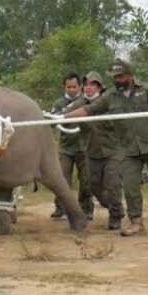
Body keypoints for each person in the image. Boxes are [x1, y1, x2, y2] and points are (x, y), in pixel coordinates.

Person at [64, 59, 148, 236]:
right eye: (114, 77)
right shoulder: (110, 96)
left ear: (130, 75)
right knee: (130, 185)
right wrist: (64, 117)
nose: (117, 80)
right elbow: (90, 110)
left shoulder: (147, 90)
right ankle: (136, 221)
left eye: (120, 76)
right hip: (128, 148)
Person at [71, 72, 125, 231]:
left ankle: (116, 216)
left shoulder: (109, 101)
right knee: (92, 186)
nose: (89, 88)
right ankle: (113, 206)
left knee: (112, 183)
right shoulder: (79, 104)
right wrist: (52, 118)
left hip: (113, 150)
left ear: (100, 87)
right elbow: (63, 114)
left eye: (93, 85)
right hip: (91, 151)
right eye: (86, 84)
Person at [51, 73, 93, 222]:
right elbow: (53, 121)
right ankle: (60, 208)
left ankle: (86, 209)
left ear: (80, 86)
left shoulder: (86, 101)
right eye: (68, 87)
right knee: (61, 179)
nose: (71, 89)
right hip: (65, 147)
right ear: (64, 87)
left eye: (74, 86)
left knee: (87, 180)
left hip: (85, 147)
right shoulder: (58, 103)